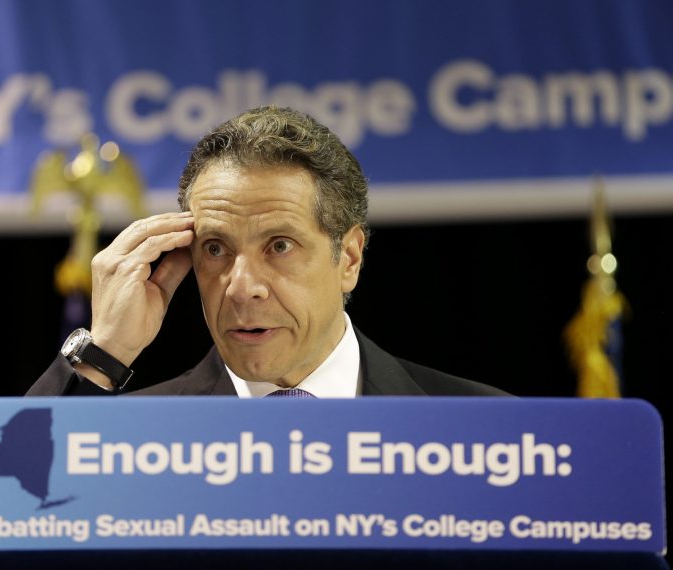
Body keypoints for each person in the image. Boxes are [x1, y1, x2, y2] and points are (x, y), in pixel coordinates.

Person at [27, 106, 508, 398]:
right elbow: (3, 514)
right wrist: (105, 353)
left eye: (279, 245)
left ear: (350, 258)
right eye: (215, 248)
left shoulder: (488, 431)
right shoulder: (134, 442)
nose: (241, 287)